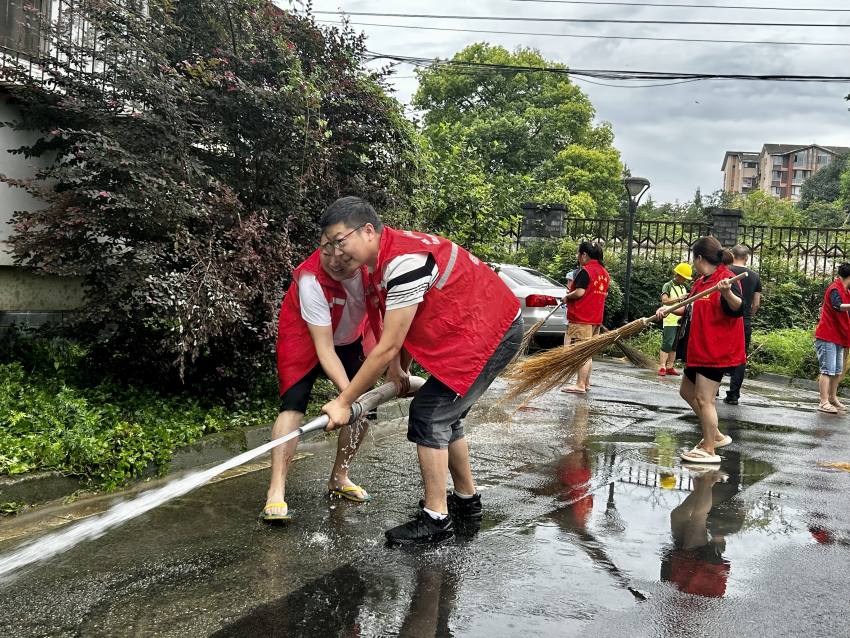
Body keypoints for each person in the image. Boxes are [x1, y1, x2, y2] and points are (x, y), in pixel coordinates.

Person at [318, 196, 523, 545]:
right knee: (446, 416)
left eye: (341, 241)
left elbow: (388, 345)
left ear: (368, 230)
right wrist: (399, 371)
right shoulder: (379, 263)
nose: (336, 253)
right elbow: (400, 328)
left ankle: (436, 520)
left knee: (429, 413)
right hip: (473, 333)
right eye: (329, 245)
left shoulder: (403, 262)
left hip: (490, 332)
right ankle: (466, 503)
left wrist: (344, 401)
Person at [261, 241, 381, 523]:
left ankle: (339, 477)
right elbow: (324, 348)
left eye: (343, 257)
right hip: (306, 334)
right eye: (327, 254)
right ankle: (275, 490)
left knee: (365, 407)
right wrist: (346, 396)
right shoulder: (310, 277)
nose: (333, 263)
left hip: (350, 337)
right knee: (293, 404)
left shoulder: (373, 269)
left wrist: (354, 398)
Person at [656, 237, 745, 464]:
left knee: (705, 400)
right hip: (698, 348)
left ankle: (709, 448)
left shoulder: (726, 278)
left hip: (715, 350)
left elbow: (739, 308)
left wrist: (726, 292)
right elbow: (688, 309)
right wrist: (667, 310)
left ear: (698, 258)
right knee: (687, 392)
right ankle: (714, 435)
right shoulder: (702, 282)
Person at [561, 242, 610, 395]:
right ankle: (586, 383)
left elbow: (580, 292)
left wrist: (567, 297)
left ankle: (580, 384)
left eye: (578, 254)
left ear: (584, 255)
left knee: (581, 352)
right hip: (596, 319)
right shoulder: (604, 273)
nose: (578, 257)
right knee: (587, 353)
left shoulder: (586, 271)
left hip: (582, 317)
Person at [724, 245, 762, 405]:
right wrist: (748, 315)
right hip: (743, 321)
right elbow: (756, 303)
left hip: (723, 319)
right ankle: (733, 394)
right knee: (740, 357)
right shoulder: (754, 276)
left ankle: (713, 388)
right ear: (747, 258)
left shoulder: (725, 272)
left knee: (718, 351)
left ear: (731, 255)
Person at [813, 263, 850, 414]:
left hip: (839, 336)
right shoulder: (835, 288)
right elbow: (837, 306)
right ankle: (823, 401)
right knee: (827, 369)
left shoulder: (846, 291)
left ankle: (833, 398)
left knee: (837, 371)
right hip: (828, 335)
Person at [658, 263, 692, 377]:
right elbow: (664, 301)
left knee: (675, 345)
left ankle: (670, 367)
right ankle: (662, 366)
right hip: (670, 320)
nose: (684, 280)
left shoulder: (683, 287)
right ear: (678, 275)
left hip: (680, 320)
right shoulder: (668, 285)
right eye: (683, 278)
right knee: (667, 343)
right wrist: (679, 298)